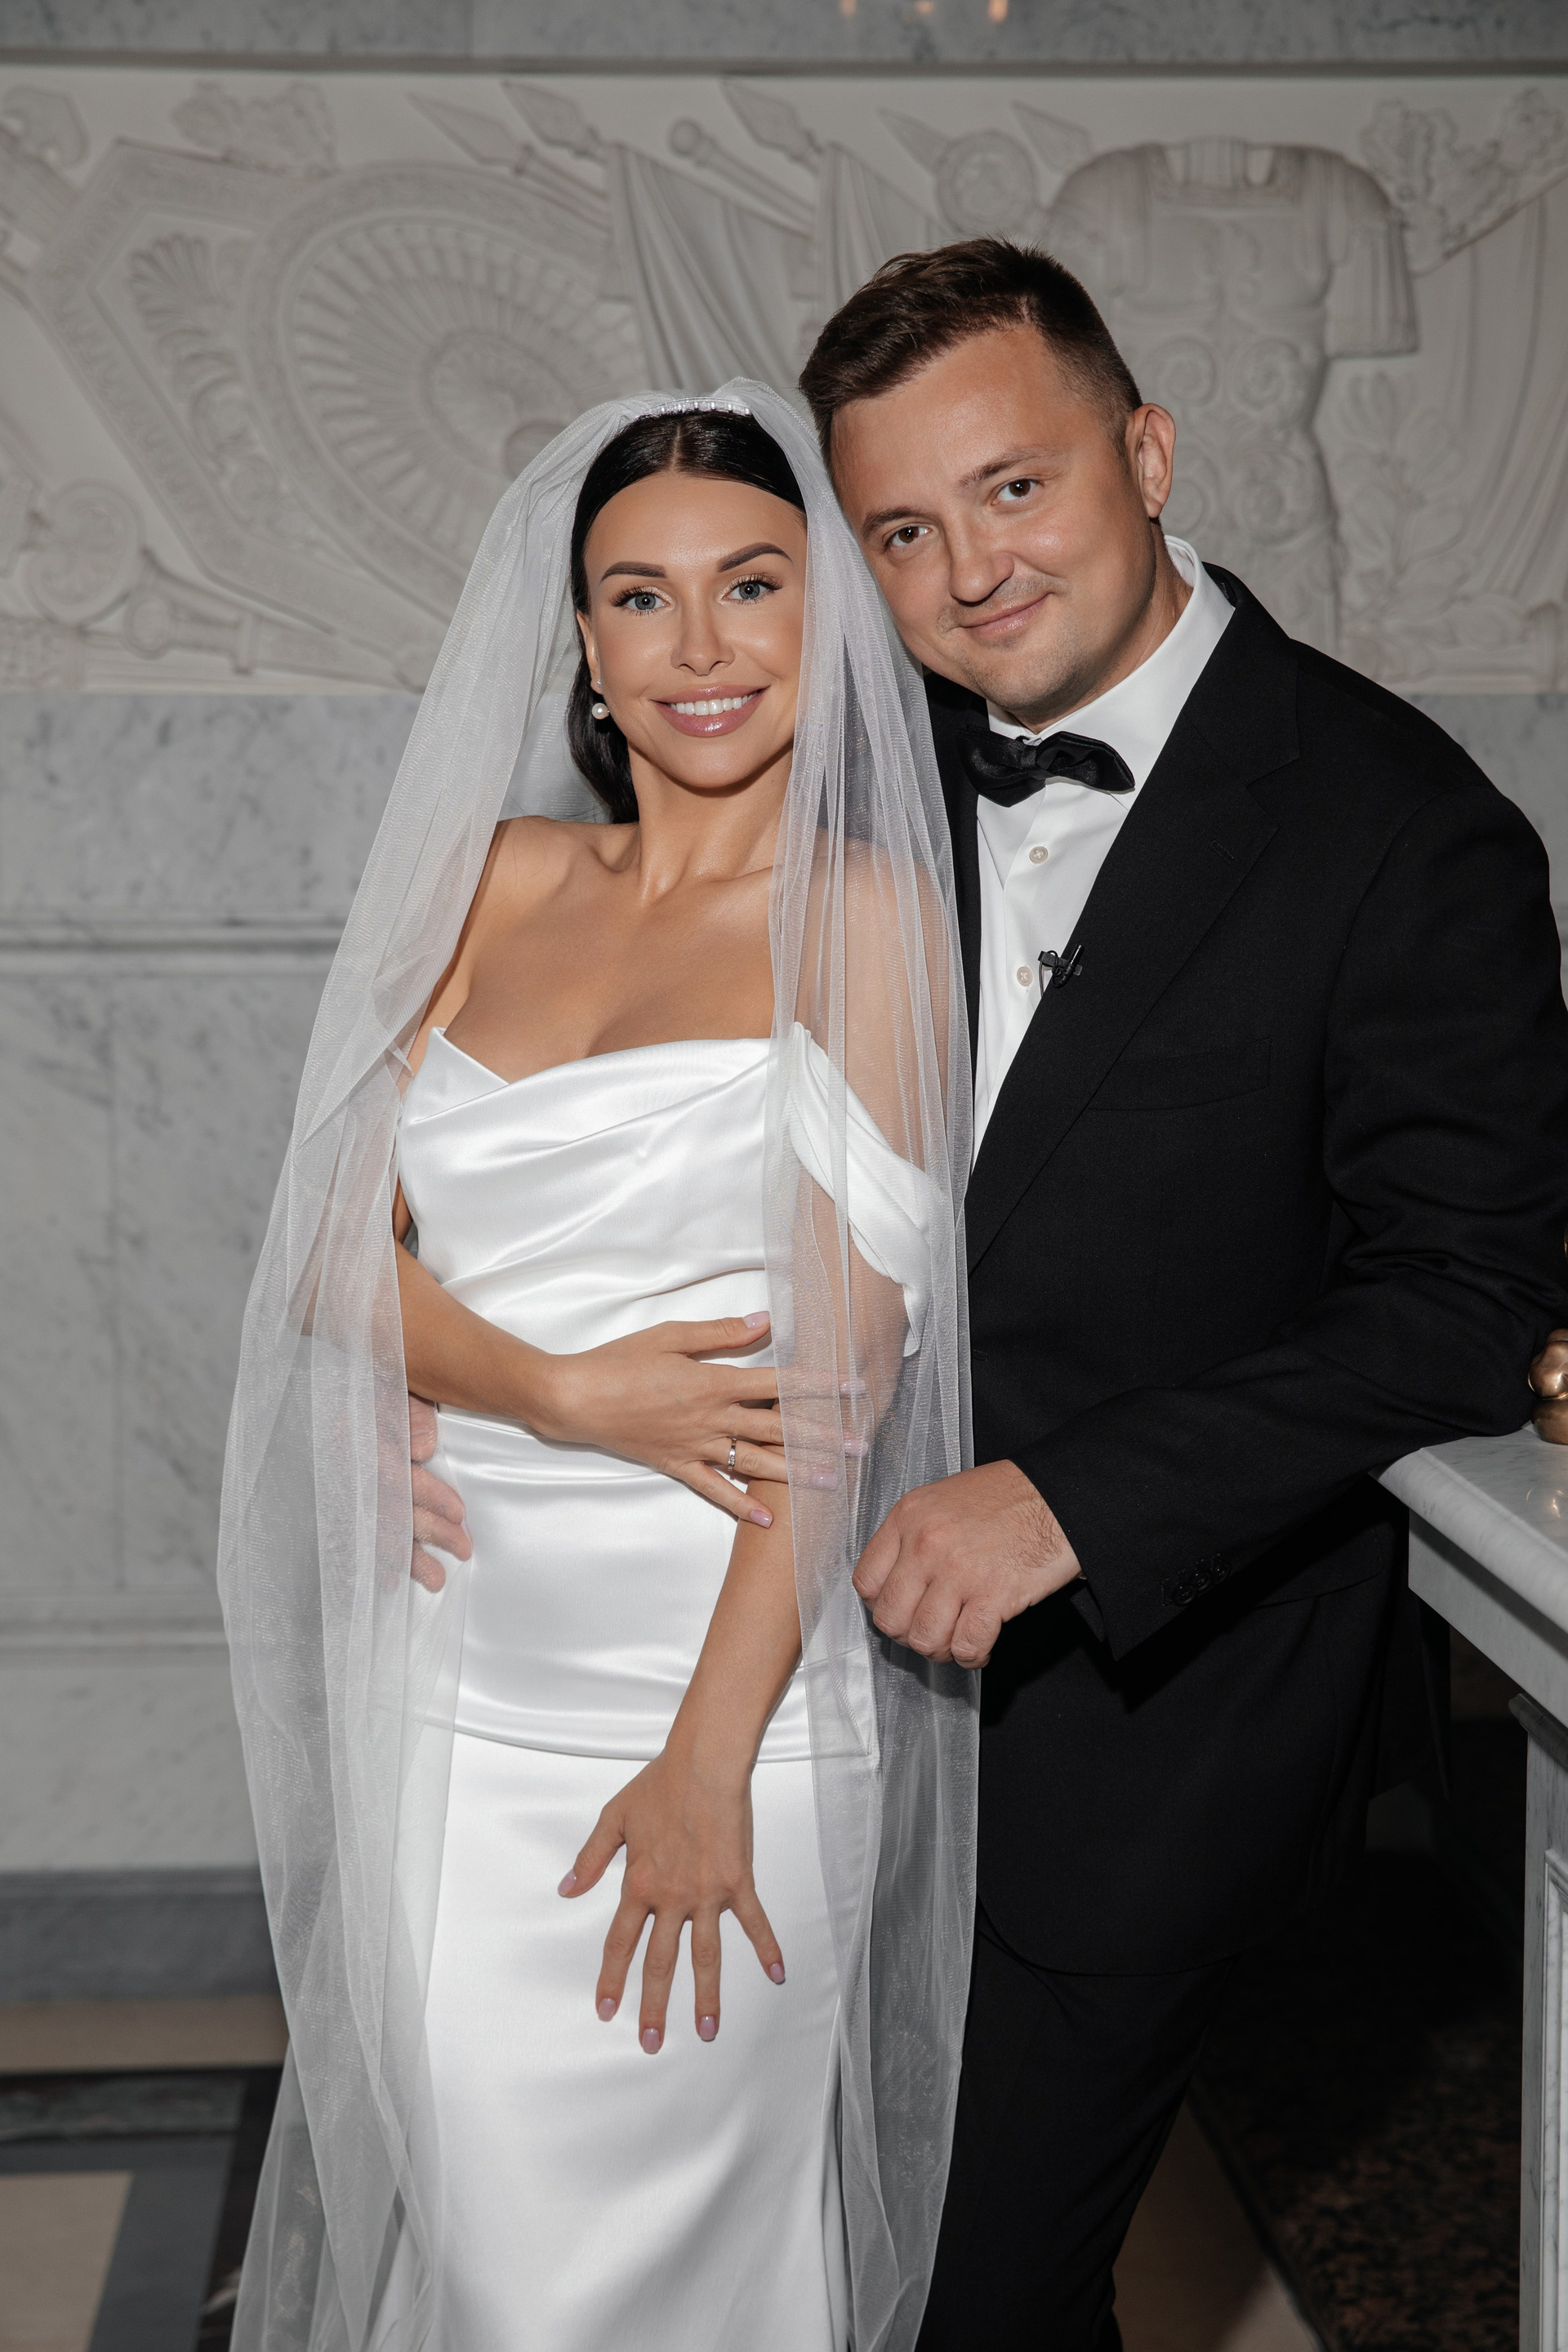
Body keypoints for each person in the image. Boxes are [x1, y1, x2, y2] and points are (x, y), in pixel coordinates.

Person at [789, 238, 1568, 2350]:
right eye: (903, 532)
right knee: (852, 2263)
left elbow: (1461, 1293)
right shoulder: (848, 772)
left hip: (1146, 1710)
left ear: (1144, 451)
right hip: (806, 1673)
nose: (970, 572)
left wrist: (1080, 1501)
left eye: (1014, 487)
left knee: (964, 2289)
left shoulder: (1404, 828)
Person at [217, 390, 975, 2352]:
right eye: (642, 597)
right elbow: (320, 1244)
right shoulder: (490, 879)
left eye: (753, 585)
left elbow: (833, 1410)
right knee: (484, 2265)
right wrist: (550, 1390)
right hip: (458, 1709)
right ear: (581, 639)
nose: (700, 644)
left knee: (640, 2289)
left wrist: (706, 1769)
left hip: (720, 1714)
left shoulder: (870, 923)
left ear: (828, 616)